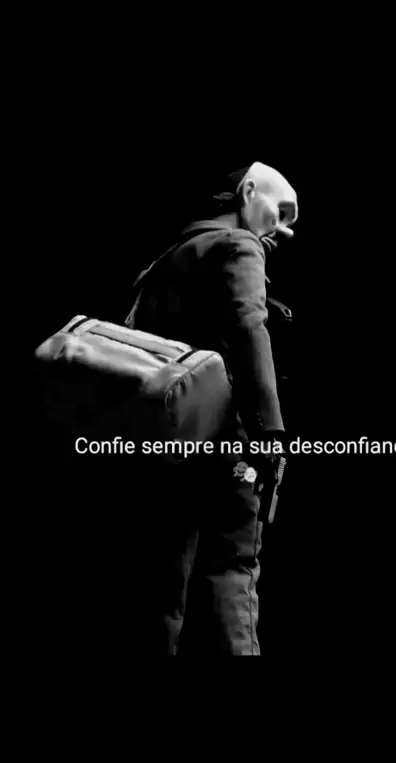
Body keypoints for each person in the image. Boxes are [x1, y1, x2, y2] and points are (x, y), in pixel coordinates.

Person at [125, 161, 299, 655]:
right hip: (224, 451)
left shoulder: (164, 263)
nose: (286, 230)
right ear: (248, 192)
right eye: (282, 211)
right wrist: (271, 437)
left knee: (158, 593)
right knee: (233, 573)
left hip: (159, 445)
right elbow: (249, 328)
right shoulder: (239, 245)